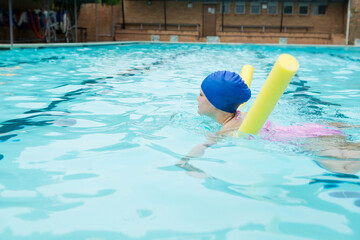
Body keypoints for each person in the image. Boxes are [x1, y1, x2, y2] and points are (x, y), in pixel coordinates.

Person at [180, 70, 360, 175]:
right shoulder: (241, 116)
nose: (197, 98)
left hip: (312, 141)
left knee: (342, 166)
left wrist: (185, 162)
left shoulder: (229, 128)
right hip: (312, 130)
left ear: (215, 102)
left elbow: (204, 145)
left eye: (202, 95)